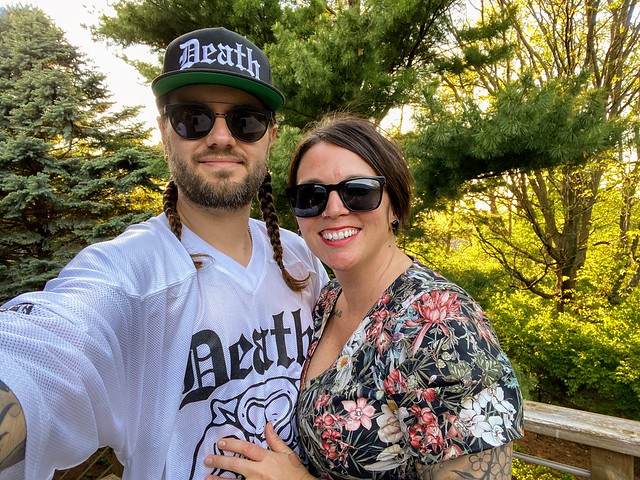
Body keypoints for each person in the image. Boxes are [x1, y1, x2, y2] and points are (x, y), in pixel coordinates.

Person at [0, 27, 328, 480]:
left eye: (246, 121)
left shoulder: (301, 258)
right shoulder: (127, 274)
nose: (220, 137)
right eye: (193, 118)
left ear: (270, 136)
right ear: (164, 132)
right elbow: (44, 350)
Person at [204, 114, 524, 479]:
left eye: (358, 191)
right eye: (312, 196)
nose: (334, 209)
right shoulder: (327, 300)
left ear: (394, 205)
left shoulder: (443, 328)